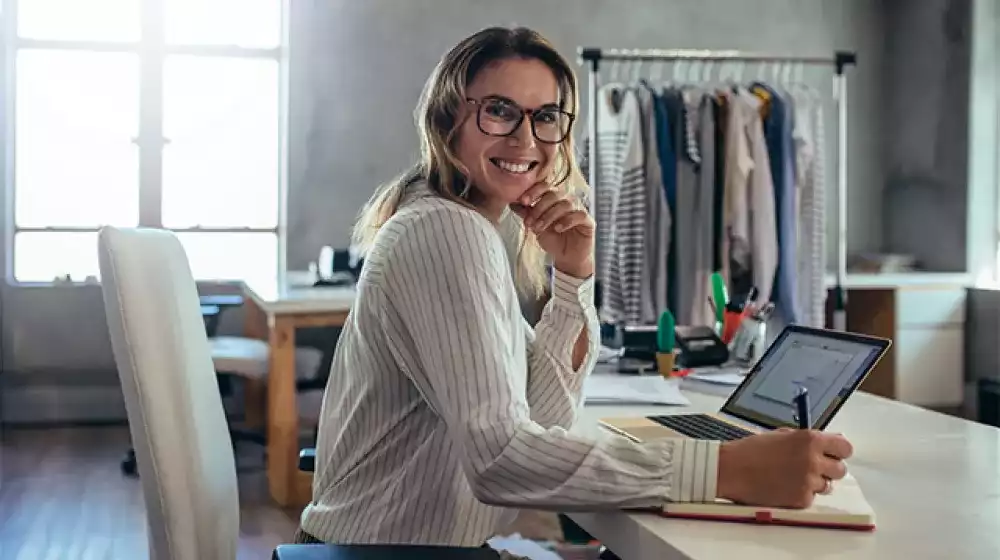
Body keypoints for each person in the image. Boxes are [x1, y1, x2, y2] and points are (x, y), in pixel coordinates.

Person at [295, 26, 853, 547]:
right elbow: (502, 460)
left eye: (546, 117)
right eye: (499, 111)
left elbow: (543, 421)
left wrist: (572, 277)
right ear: (447, 121)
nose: (525, 138)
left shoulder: (462, 228)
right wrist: (726, 469)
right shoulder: (446, 231)